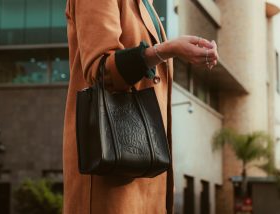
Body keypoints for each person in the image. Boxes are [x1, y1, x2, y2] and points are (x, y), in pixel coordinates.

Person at [63, 0, 218, 214]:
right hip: (111, 171)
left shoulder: (145, 4)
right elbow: (102, 69)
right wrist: (167, 50)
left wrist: (168, 51)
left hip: (141, 171)